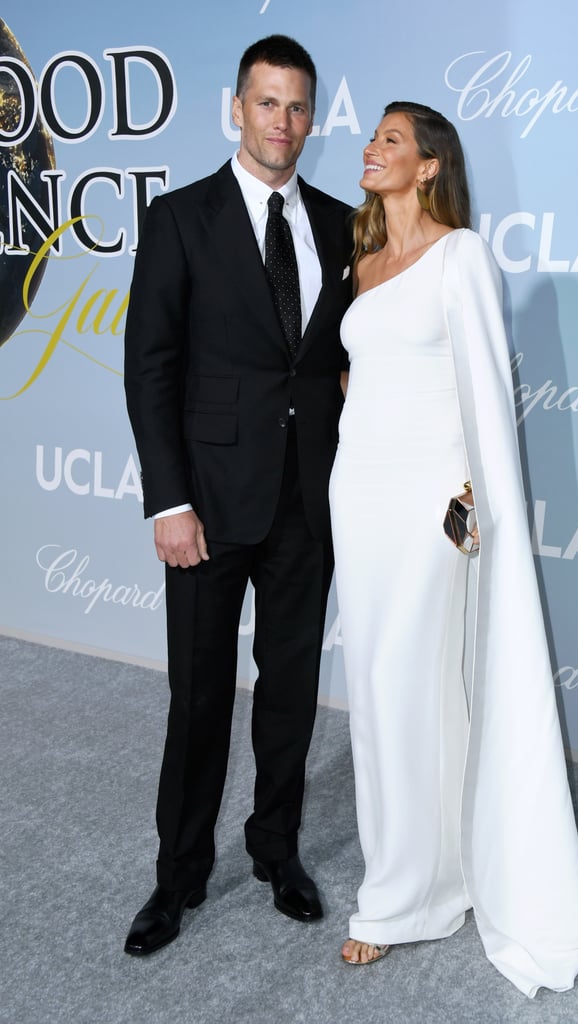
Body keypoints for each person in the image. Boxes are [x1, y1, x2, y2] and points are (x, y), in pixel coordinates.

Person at [328, 101, 578, 996]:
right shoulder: (363, 260)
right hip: (360, 499)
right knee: (388, 695)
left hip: (430, 509)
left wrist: (473, 500)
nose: (371, 149)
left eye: (391, 140)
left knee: (402, 689)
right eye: (371, 136)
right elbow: (365, 379)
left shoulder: (460, 255)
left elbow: (486, 394)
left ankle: (392, 901)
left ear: (428, 167)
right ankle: (429, 879)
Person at [123, 35, 352, 956]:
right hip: (209, 505)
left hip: (308, 501)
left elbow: (340, 363)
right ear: (235, 109)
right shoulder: (181, 219)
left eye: (298, 107)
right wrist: (167, 502)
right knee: (199, 697)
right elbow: (151, 370)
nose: (283, 124)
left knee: (290, 693)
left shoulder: (341, 224)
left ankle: (276, 850)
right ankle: (177, 877)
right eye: (267, 104)